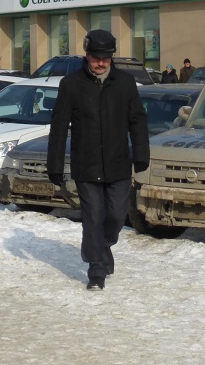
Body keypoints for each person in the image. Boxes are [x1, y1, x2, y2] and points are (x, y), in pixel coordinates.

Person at [47, 29, 149, 291]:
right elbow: (59, 126)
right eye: (96, 58)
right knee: (93, 217)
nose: (101, 63)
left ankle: (103, 246)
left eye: (106, 58)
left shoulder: (125, 83)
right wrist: (54, 164)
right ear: (87, 55)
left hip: (117, 164)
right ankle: (96, 271)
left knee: (115, 216)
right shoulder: (71, 85)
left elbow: (137, 120)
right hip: (86, 165)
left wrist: (141, 154)